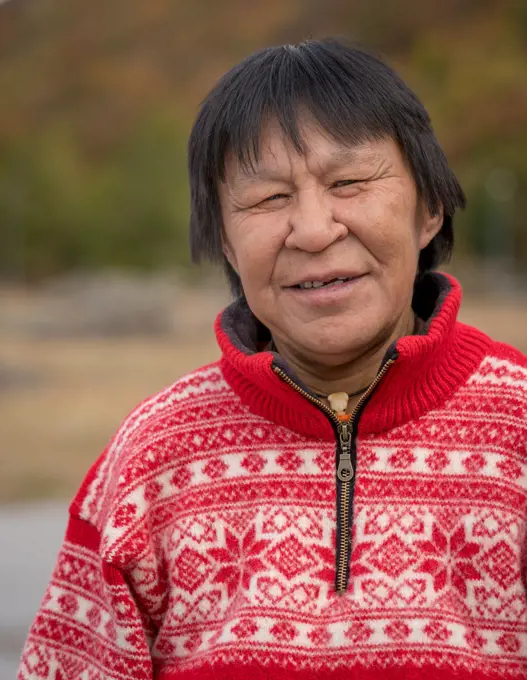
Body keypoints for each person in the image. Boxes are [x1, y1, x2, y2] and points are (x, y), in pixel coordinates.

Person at [17, 38, 527, 680]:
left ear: (429, 209)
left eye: (349, 182)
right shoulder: (150, 460)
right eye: (267, 199)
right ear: (225, 242)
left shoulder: (519, 428)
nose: (314, 230)